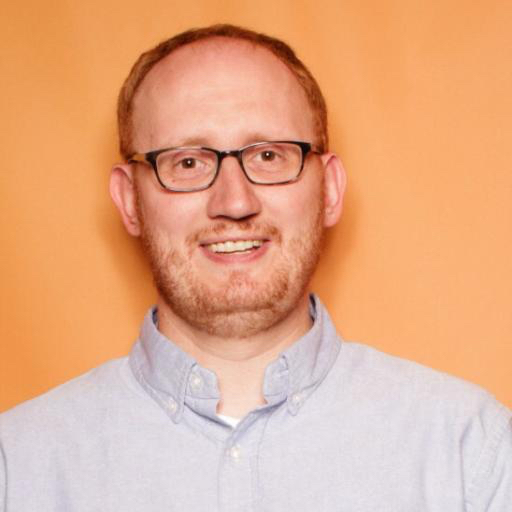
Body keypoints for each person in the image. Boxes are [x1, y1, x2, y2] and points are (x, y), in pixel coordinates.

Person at [0, 24, 510, 511]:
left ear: (330, 190)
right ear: (129, 200)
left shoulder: (472, 454)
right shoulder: (17, 466)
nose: (235, 202)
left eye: (268, 155)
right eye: (188, 162)